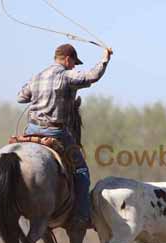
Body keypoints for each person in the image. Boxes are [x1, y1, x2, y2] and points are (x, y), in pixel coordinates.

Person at [17, 44, 113, 228]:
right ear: (68, 59)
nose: (74, 67)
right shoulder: (65, 75)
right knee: (82, 172)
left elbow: (21, 97)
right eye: (73, 63)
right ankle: (82, 216)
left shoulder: (36, 77)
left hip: (31, 130)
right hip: (55, 132)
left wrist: (39, 95)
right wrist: (105, 59)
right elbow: (92, 76)